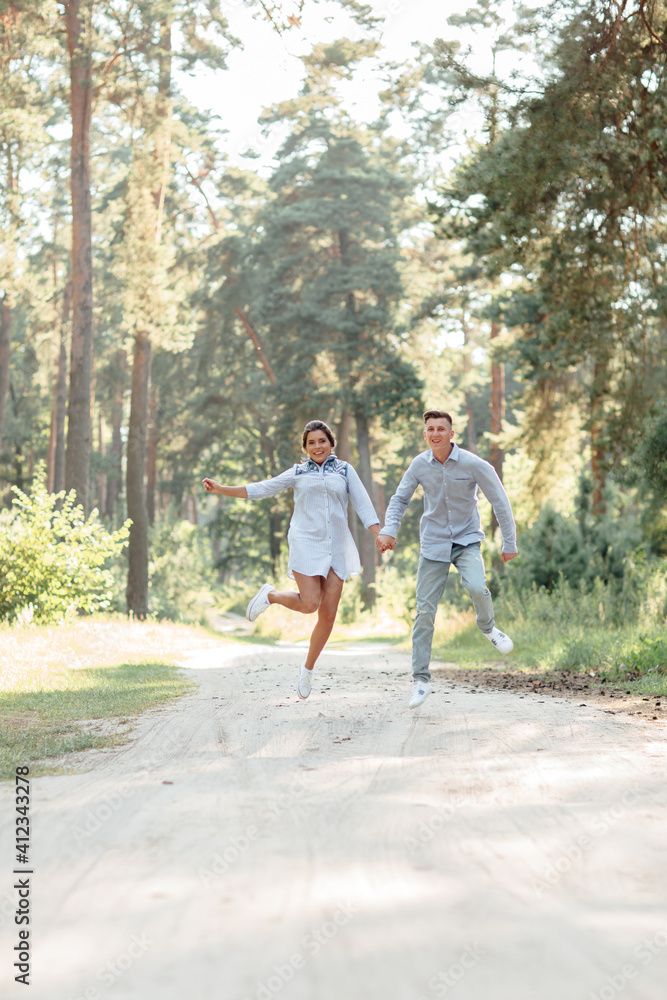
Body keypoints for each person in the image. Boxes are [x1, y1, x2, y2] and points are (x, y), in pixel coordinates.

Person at [202, 420, 381, 700]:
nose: (317, 446)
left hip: (337, 545)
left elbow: (362, 503)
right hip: (306, 542)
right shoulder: (298, 472)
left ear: (331, 443)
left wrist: (379, 535)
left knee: (328, 615)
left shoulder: (344, 470)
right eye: (311, 443)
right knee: (310, 604)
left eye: (322, 441)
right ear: (305, 448)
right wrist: (222, 489)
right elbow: (263, 488)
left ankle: (307, 668)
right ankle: (271, 596)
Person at [376, 409, 518, 709]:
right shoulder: (419, 464)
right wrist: (389, 529)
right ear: (425, 434)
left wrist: (509, 541)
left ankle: (488, 628)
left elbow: (499, 500)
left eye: (441, 428)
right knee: (425, 612)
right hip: (433, 543)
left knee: (478, 587)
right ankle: (420, 680)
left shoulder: (472, 463)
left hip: (466, 540)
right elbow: (399, 499)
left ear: (452, 434)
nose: (436, 433)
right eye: (430, 429)